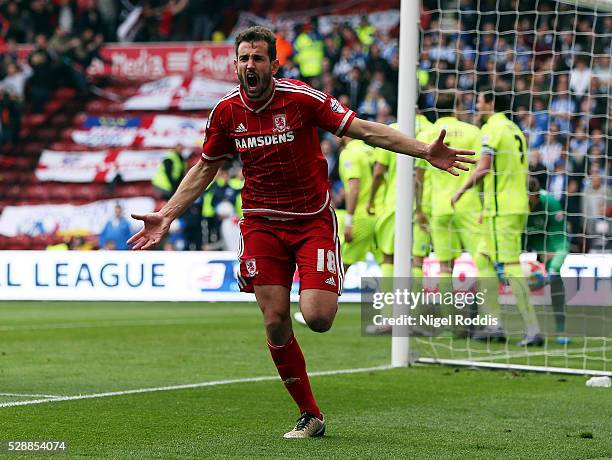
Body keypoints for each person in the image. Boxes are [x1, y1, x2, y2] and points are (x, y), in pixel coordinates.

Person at [128, 26, 475, 438]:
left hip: (311, 220)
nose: (250, 65)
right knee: (275, 320)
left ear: (274, 65)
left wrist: (422, 150)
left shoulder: (301, 99)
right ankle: (310, 414)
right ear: (235, 65)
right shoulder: (225, 112)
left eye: (258, 58)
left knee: (318, 317)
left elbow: (364, 129)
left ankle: (320, 294)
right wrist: (167, 214)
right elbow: (206, 166)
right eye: (244, 59)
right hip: (260, 222)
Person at [452, 90, 543, 347]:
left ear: (490, 104)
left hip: (503, 208)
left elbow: (484, 167)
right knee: (482, 258)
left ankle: (533, 329)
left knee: (511, 265)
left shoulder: (491, 128)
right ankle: (494, 324)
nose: (476, 105)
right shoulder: (514, 129)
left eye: (479, 101)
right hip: (506, 205)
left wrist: (460, 190)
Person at [417, 94, 503, 337]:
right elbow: (482, 168)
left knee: (445, 266)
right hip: (467, 204)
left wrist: (420, 209)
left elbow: (419, 177)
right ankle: (491, 321)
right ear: (455, 108)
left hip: (438, 207)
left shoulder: (426, 135)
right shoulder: (473, 131)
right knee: (482, 259)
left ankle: (455, 324)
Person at [525, 177, 571, 345]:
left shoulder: (550, 203)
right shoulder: (513, 206)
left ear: (537, 196)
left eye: (532, 199)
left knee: (556, 278)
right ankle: (489, 327)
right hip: (519, 241)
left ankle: (561, 329)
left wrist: (553, 268)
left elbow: (561, 242)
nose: (529, 204)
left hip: (546, 244)